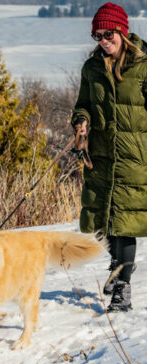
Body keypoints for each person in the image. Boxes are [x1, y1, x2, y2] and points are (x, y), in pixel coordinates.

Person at [72, 2, 147, 312]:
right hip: (101, 154)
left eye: (108, 33)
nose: (103, 40)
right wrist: (80, 121)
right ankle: (116, 270)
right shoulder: (91, 68)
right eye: (97, 35)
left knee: (125, 222)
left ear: (122, 31)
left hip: (134, 155)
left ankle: (123, 287)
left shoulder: (143, 65)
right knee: (105, 221)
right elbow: (83, 103)